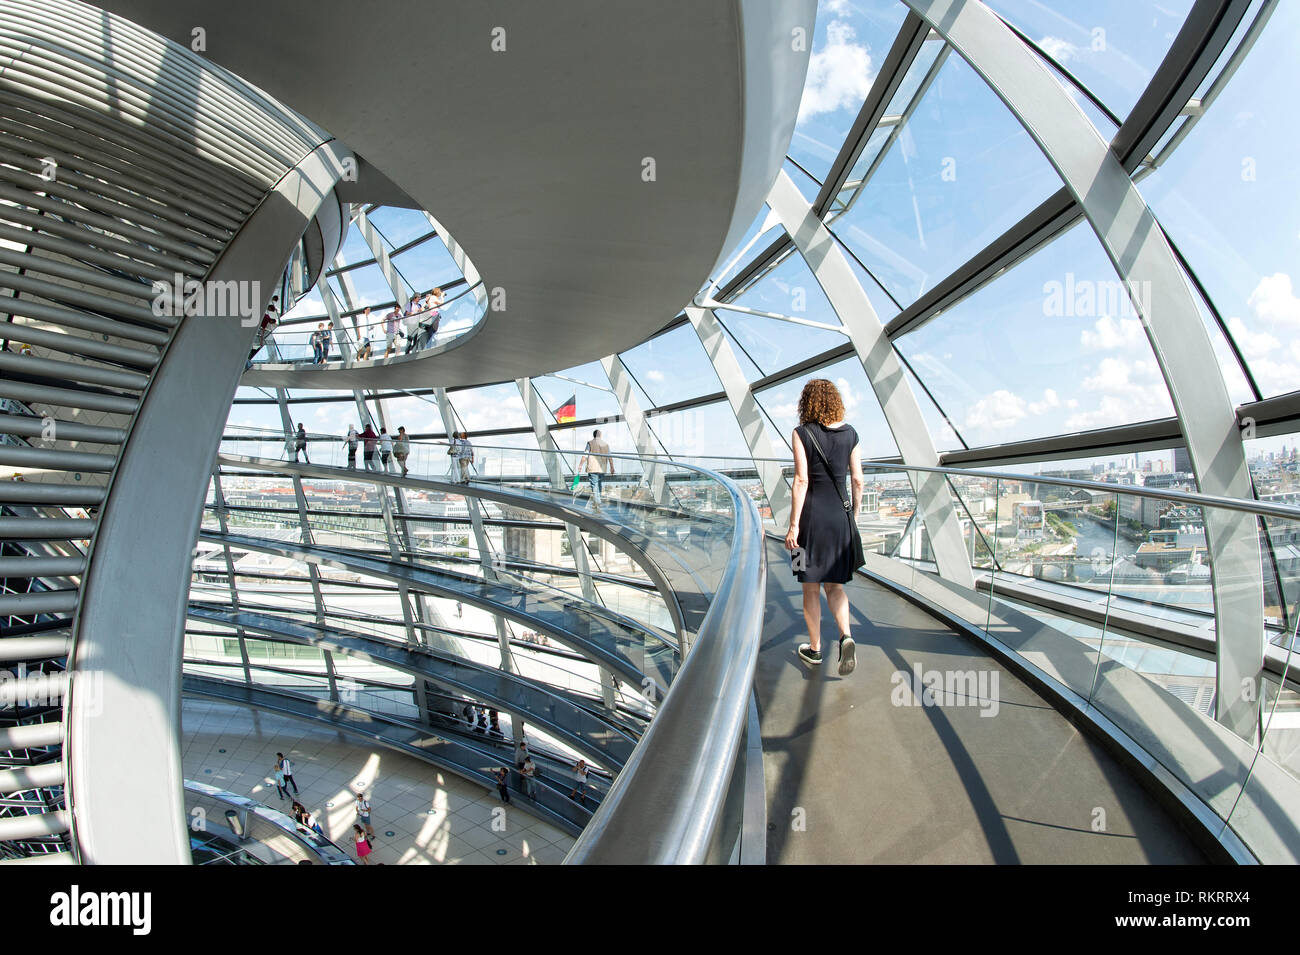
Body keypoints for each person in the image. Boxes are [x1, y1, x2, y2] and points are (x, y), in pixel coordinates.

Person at [784, 378, 862, 676]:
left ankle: (815, 650)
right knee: (835, 585)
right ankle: (846, 635)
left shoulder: (800, 433)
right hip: (840, 520)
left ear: (807, 402)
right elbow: (857, 480)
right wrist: (852, 515)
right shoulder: (852, 434)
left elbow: (801, 480)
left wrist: (793, 527)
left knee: (809, 586)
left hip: (809, 523)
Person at [581, 429, 615, 510]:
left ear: (594, 435)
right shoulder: (606, 445)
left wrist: (580, 465)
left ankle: (597, 504)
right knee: (599, 484)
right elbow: (610, 457)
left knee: (594, 485)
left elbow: (585, 455)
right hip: (602, 468)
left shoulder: (590, 443)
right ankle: (597, 502)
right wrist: (612, 467)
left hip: (593, 468)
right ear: (600, 435)